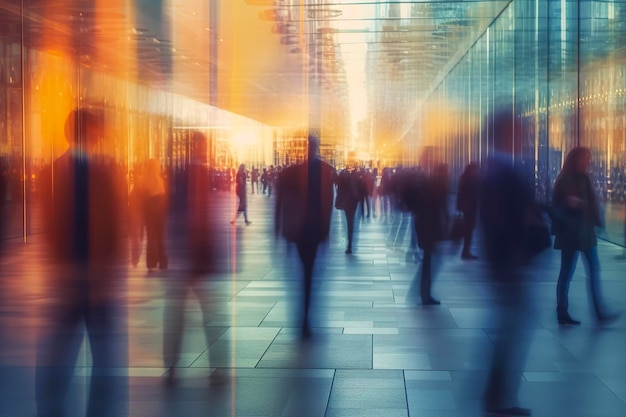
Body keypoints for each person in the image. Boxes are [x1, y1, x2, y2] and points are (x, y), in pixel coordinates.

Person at [36, 107, 127, 417]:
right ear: (84, 132)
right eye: (95, 130)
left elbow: (114, 222)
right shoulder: (62, 172)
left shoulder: (98, 170)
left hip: (92, 278)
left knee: (87, 358)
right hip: (75, 278)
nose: (100, 135)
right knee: (71, 357)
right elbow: (51, 226)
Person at [479, 106, 537, 417]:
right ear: (504, 133)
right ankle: (497, 399)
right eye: (516, 130)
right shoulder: (502, 171)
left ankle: (495, 396)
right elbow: (501, 219)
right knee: (511, 326)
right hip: (507, 262)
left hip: (504, 262)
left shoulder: (496, 168)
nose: (522, 135)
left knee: (508, 326)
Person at [163, 131, 226, 385]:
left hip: (187, 255)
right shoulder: (208, 174)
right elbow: (210, 214)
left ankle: (173, 365)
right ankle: (217, 365)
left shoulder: (179, 174)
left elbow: (171, 212)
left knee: (177, 313)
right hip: (198, 255)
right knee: (209, 313)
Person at [551, 146, 621, 325]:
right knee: (568, 272)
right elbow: (569, 202)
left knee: (585, 270)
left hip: (583, 233)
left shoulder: (582, 178)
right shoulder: (568, 179)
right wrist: (582, 204)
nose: (588, 161)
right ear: (576, 160)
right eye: (585, 158)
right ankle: (564, 310)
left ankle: (594, 311)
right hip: (572, 233)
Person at [274, 133, 335, 338]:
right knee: (308, 274)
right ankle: (305, 319)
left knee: (305, 274)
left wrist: (278, 228)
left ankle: (303, 319)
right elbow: (328, 203)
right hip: (312, 230)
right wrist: (326, 231)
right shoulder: (324, 170)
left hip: (300, 231)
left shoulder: (290, 172)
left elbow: (280, 201)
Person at [412, 163, 449, 305]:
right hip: (430, 228)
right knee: (430, 261)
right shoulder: (438, 187)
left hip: (425, 227)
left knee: (430, 260)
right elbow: (441, 210)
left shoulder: (429, 185)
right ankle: (424, 293)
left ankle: (423, 292)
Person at [138, 158, 168, 270]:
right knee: (160, 237)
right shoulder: (160, 181)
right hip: (159, 213)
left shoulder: (143, 181)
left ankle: (151, 263)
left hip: (148, 213)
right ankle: (162, 262)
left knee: (151, 238)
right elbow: (164, 198)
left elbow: (140, 198)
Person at [457, 162, 480, 260]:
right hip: (469, 208)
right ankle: (465, 252)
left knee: (469, 230)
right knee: (469, 230)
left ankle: (466, 251)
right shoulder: (469, 180)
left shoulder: (465, 178)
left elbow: (460, 193)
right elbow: (469, 194)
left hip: (468, 208)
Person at [334, 168, 361, 254]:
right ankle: (349, 244)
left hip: (347, 203)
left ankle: (349, 245)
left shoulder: (343, 181)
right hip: (352, 202)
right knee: (350, 222)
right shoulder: (355, 180)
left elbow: (338, 191)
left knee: (349, 222)